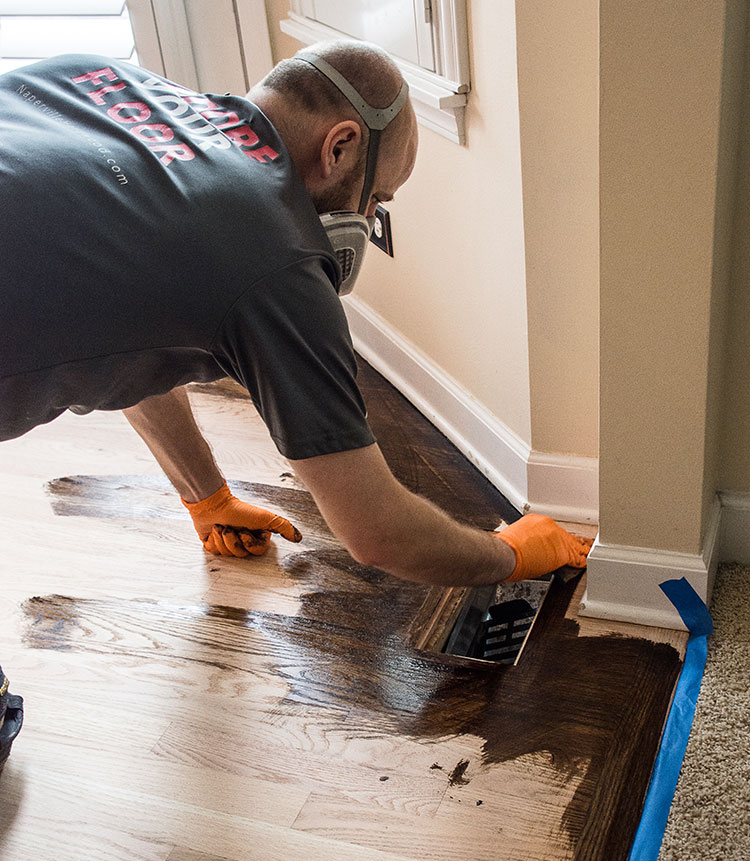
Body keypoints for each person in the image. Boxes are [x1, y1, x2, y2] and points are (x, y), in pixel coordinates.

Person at [0, 40, 591, 588]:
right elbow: (378, 533)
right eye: (377, 200)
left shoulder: (96, 76)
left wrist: (204, 496)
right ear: (339, 147)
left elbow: (127, 330)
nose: (369, 219)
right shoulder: (273, 258)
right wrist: (512, 554)